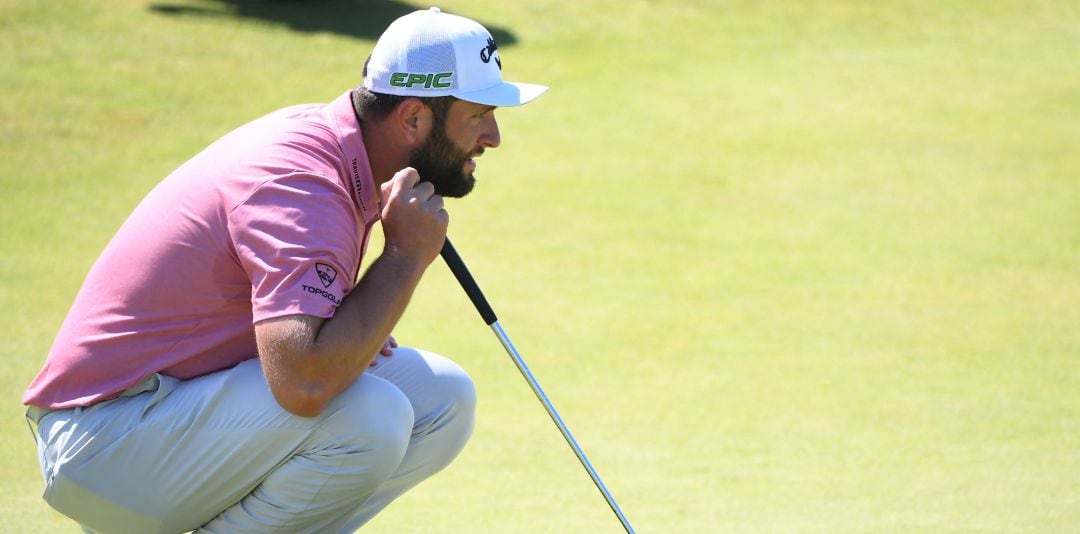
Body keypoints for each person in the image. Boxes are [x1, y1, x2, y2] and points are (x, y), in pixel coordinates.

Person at [22, 7, 547, 533]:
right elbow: (304, 384)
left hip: (160, 417)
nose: (494, 136)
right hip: (102, 442)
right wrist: (404, 257)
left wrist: (350, 333)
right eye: (478, 115)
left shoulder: (340, 152)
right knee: (370, 415)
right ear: (412, 118)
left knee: (443, 399)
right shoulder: (303, 183)